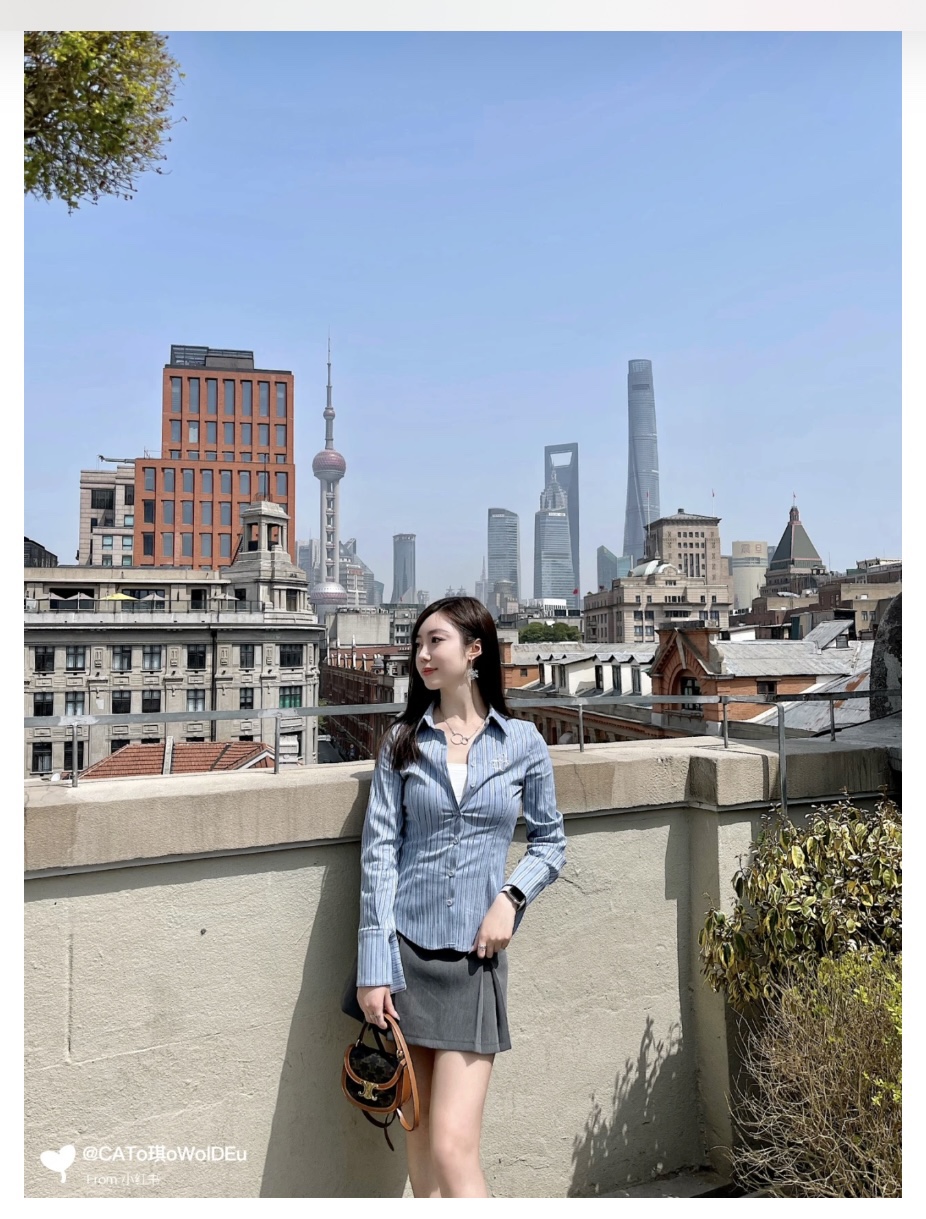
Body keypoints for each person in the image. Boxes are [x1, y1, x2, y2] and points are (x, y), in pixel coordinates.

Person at [341, 596, 566, 1198]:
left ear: (474, 650)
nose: (421, 654)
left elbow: (551, 842)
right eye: (417, 644)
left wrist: (511, 898)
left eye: (434, 641)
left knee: (452, 1147)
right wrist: (372, 970)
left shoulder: (522, 742)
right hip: (404, 959)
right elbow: (379, 856)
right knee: (419, 1145)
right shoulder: (401, 742)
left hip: (475, 963)